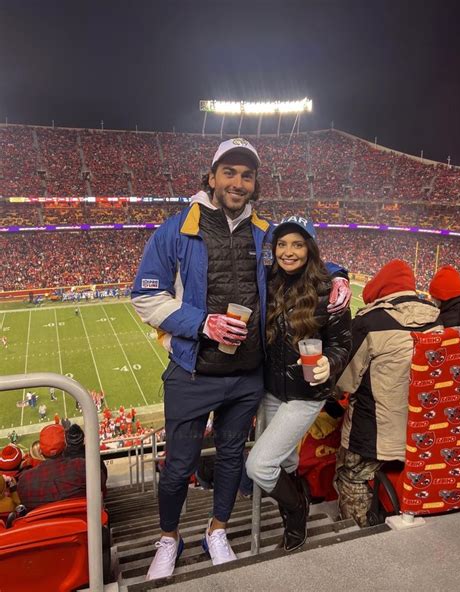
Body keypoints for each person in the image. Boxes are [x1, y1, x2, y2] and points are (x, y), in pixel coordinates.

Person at [132, 137, 351, 580]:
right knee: (177, 467)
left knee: (233, 459)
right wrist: (203, 323)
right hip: (192, 370)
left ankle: (217, 530)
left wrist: (338, 274)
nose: (237, 182)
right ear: (211, 178)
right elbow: (145, 296)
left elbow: (300, 253)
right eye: (228, 172)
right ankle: (168, 538)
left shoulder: (264, 231)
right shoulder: (175, 229)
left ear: (254, 184)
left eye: (246, 175)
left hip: (248, 374)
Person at [246, 217, 352, 551]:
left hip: (306, 393)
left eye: (298, 244)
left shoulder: (328, 289)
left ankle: (297, 511)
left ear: (310, 248)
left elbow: (342, 345)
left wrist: (328, 363)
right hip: (272, 388)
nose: (288, 252)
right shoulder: (268, 281)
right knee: (286, 461)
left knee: (259, 465)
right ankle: (294, 519)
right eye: (282, 244)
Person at [334, 259, 441, 527]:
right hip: (423, 431)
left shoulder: (370, 322)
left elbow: (344, 382)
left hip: (373, 433)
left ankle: (356, 535)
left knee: (351, 477)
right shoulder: (439, 318)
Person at [17, 424, 87, 511]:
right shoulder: (81, 466)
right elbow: (100, 489)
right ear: (65, 445)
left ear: (41, 450)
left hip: (42, 524)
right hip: (82, 522)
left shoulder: (25, 480)